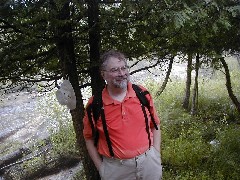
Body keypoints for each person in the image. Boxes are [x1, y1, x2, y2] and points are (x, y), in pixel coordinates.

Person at [83, 50, 162, 180]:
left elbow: (155, 124)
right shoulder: (95, 105)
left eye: (124, 68)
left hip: (149, 164)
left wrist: (156, 154)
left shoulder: (142, 94)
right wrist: (102, 169)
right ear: (103, 75)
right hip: (116, 170)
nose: (122, 73)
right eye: (115, 70)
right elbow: (89, 138)